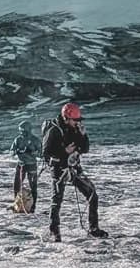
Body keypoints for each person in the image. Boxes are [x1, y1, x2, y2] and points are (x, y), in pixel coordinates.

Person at [42, 101, 107, 241]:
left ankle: (93, 229)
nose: (77, 122)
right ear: (66, 118)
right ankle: (54, 232)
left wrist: (84, 136)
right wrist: (64, 152)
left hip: (74, 167)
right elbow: (45, 153)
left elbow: (84, 149)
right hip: (59, 169)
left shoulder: (75, 129)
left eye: (78, 120)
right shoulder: (53, 131)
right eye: (75, 120)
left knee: (92, 195)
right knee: (57, 200)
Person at [10, 116, 43, 212]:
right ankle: (17, 204)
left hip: (31, 165)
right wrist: (17, 151)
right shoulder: (18, 140)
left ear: (29, 130)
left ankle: (32, 207)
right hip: (21, 165)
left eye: (24, 131)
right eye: (21, 131)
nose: (22, 133)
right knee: (17, 185)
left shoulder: (35, 140)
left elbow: (41, 154)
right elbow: (11, 152)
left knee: (33, 186)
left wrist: (32, 152)